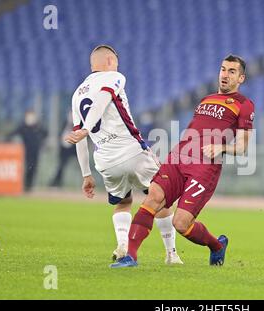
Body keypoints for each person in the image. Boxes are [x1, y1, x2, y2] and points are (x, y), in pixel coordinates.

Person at [97, 54, 255, 268]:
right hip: (179, 157)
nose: (225, 75)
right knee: (152, 197)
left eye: (232, 71)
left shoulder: (244, 105)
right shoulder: (206, 99)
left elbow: (243, 146)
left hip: (205, 166)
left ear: (241, 78)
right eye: (223, 69)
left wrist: (222, 147)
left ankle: (217, 246)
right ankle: (131, 257)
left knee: (180, 223)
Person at [65, 45, 183, 266]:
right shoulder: (114, 77)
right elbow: (102, 98)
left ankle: (122, 245)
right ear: (110, 60)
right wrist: (87, 128)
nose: (118, 64)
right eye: (116, 60)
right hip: (132, 151)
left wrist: (86, 174)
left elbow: (78, 137)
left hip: (105, 161)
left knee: (123, 203)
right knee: (162, 198)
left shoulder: (76, 93)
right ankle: (171, 254)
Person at [7, 110, 47, 192]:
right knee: (27, 168)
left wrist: (42, 142)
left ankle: (29, 185)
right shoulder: (23, 126)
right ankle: (25, 185)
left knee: (33, 168)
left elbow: (45, 133)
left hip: (35, 151)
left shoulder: (38, 126)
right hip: (26, 151)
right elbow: (13, 133)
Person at [49, 111, 76, 187]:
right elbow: (61, 135)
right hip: (64, 149)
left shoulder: (78, 125)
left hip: (73, 150)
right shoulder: (64, 123)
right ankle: (56, 182)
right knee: (61, 166)